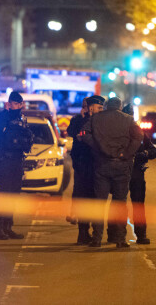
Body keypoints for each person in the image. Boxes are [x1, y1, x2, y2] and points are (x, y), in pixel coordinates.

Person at [81, 97, 143, 248]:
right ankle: (120, 239)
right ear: (120, 107)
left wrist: (97, 146)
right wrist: (127, 153)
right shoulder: (128, 119)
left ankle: (96, 239)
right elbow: (139, 136)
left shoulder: (96, 118)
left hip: (102, 164)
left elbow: (84, 133)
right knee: (120, 203)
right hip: (122, 166)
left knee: (100, 203)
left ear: (107, 106)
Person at [0, 91, 33, 240]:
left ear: (22, 104)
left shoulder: (22, 119)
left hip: (17, 161)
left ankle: (8, 227)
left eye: (18, 103)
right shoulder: (3, 118)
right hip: (5, 160)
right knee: (4, 195)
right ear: (9, 104)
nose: (16, 106)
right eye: (13, 103)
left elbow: (27, 138)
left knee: (14, 195)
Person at [66, 95, 105, 245]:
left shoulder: (102, 120)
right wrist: (83, 119)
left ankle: (93, 233)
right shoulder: (78, 120)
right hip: (83, 164)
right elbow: (71, 131)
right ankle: (83, 233)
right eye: (99, 107)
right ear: (90, 108)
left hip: (97, 164)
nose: (101, 110)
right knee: (83, 197)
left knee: (94, 198)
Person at [122, 103, 156, 244]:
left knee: (138, 205)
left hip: (136, 173)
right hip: (123, 173)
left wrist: (145, 153)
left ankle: (141, 234)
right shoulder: (120, 133)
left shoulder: (140, 133)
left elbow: (153, 150)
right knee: (120, 204)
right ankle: (118, 235)